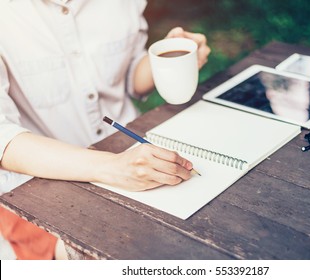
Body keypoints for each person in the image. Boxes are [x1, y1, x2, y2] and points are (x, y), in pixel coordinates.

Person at [0, 0, 211, 259]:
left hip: (132, 152)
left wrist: (166, 61)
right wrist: (114, 167)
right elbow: (3, 140)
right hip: (35, 185)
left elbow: (130, 76)